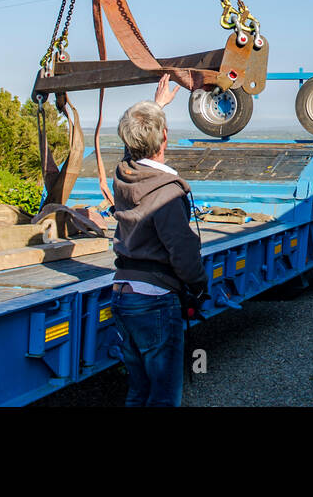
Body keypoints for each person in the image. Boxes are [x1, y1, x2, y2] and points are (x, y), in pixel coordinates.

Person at [109, 73, 209, 407]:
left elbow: (135, 143)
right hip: (154, 299)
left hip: (123, 294)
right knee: (164, 396)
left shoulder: (124, 175)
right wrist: (198, 285)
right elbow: (183, 251)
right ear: (165, 137)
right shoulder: (165, 192)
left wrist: (155, 106)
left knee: (139, 390)